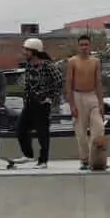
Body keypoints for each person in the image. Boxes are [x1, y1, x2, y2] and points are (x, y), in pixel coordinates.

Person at [18, 37, 63, 169]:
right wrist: (25, 98)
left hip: (43, 104)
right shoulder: (28, 65)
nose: (24, 52)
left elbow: (59, 81)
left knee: (42, 133)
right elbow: (27, 84)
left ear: (34, 51)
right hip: (30, 103)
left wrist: (48, 95)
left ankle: (43, 161)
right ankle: (28, 155)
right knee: (20, 129)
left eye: (26, 50)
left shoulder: (47, 65)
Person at [65, 35, 104, 171]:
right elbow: (69, 83)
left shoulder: (95, 61)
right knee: (81, 132)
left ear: (90, 46)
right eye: (81, 45)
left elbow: (98, 83)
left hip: (92, 95)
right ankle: (84, 160)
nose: (84, 47)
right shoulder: (72, 61)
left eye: (86, 44)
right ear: (78, 46)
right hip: (78, 96)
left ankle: (96, 158)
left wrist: (101, 103)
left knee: (99, 128)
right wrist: (72, 105)